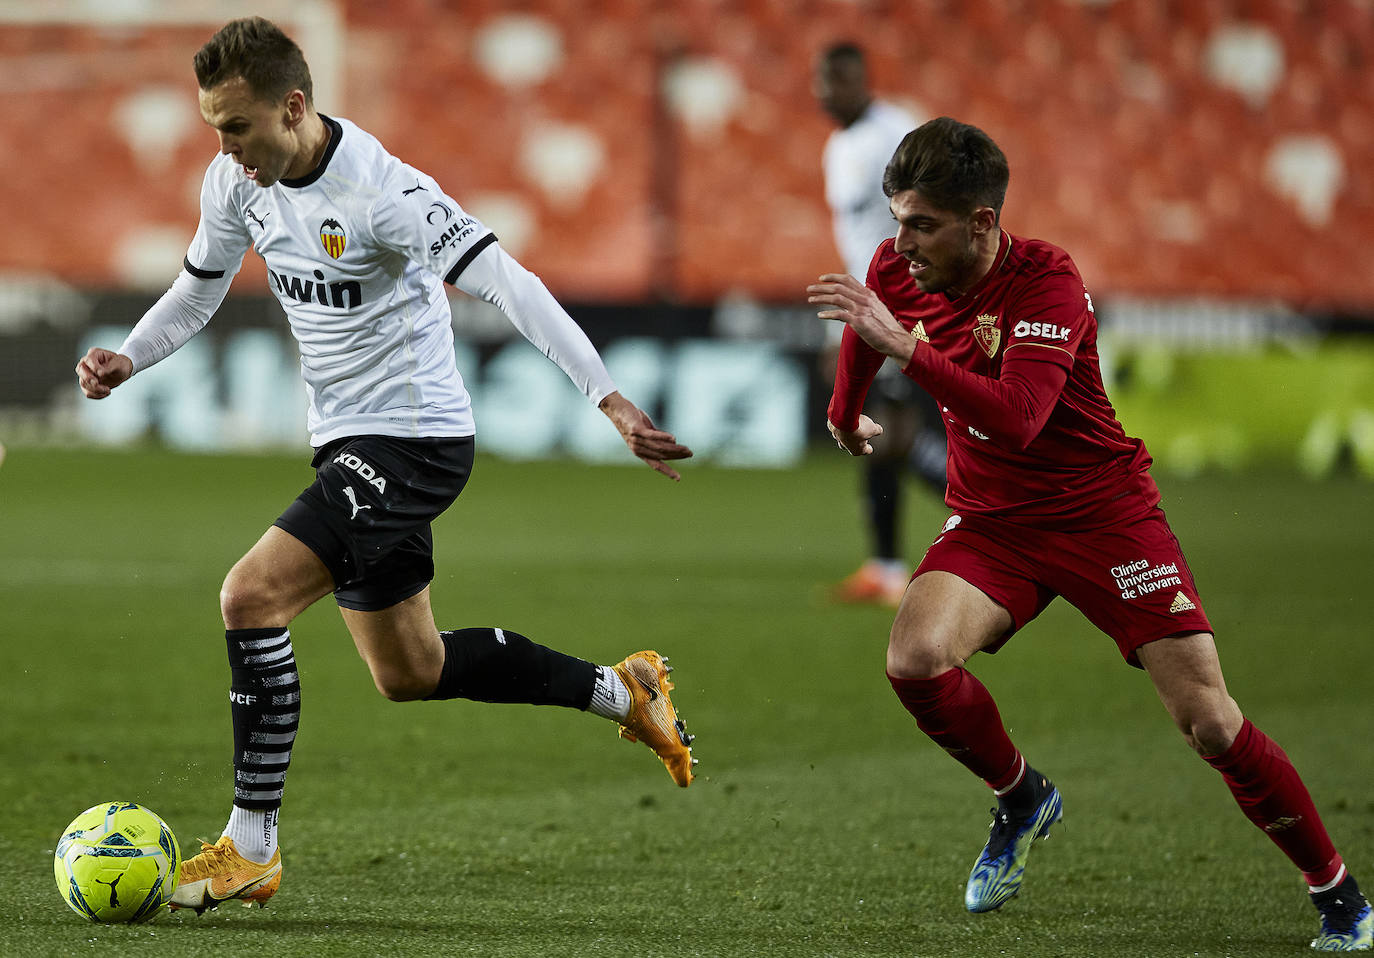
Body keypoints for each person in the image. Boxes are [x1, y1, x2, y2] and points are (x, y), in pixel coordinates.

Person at [75, 17, 696, 914]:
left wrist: (608, 397)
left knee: (249, 596)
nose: (225, 147)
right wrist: (131, 355)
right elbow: (198, 288)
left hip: (414, 443)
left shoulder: (387, 194)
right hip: (345, 443)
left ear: (294, 107)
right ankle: (622, 691)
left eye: (237, 126)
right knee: (410, 669)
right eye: (214, 126)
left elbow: (510, 284)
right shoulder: (235, 182)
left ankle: (252, 846)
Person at [806, 116, 1371, 951]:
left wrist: (908, 354)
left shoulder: (1047, 284)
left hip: (1103, 517)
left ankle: (1341, 896)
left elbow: (1021, 418)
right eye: (898, 219)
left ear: (983, 222)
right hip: (997, 522)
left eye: (922, 223)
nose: (903, 242)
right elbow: (870, 314)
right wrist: (844, 408)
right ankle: (1022, 796)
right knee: (914, 660)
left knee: (1210, 723)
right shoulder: (901, 263)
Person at [813, 42, 945, 608]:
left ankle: (1010, 513)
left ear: (864, 81)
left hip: (908, 303)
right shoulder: (838, 145)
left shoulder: (896, 134)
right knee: (875, 432)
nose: (828, 93)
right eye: (822, 82)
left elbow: (939, 206)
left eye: (840, 80)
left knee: (900, 434)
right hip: (869, 303)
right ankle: (886, 566)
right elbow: (859, 240)